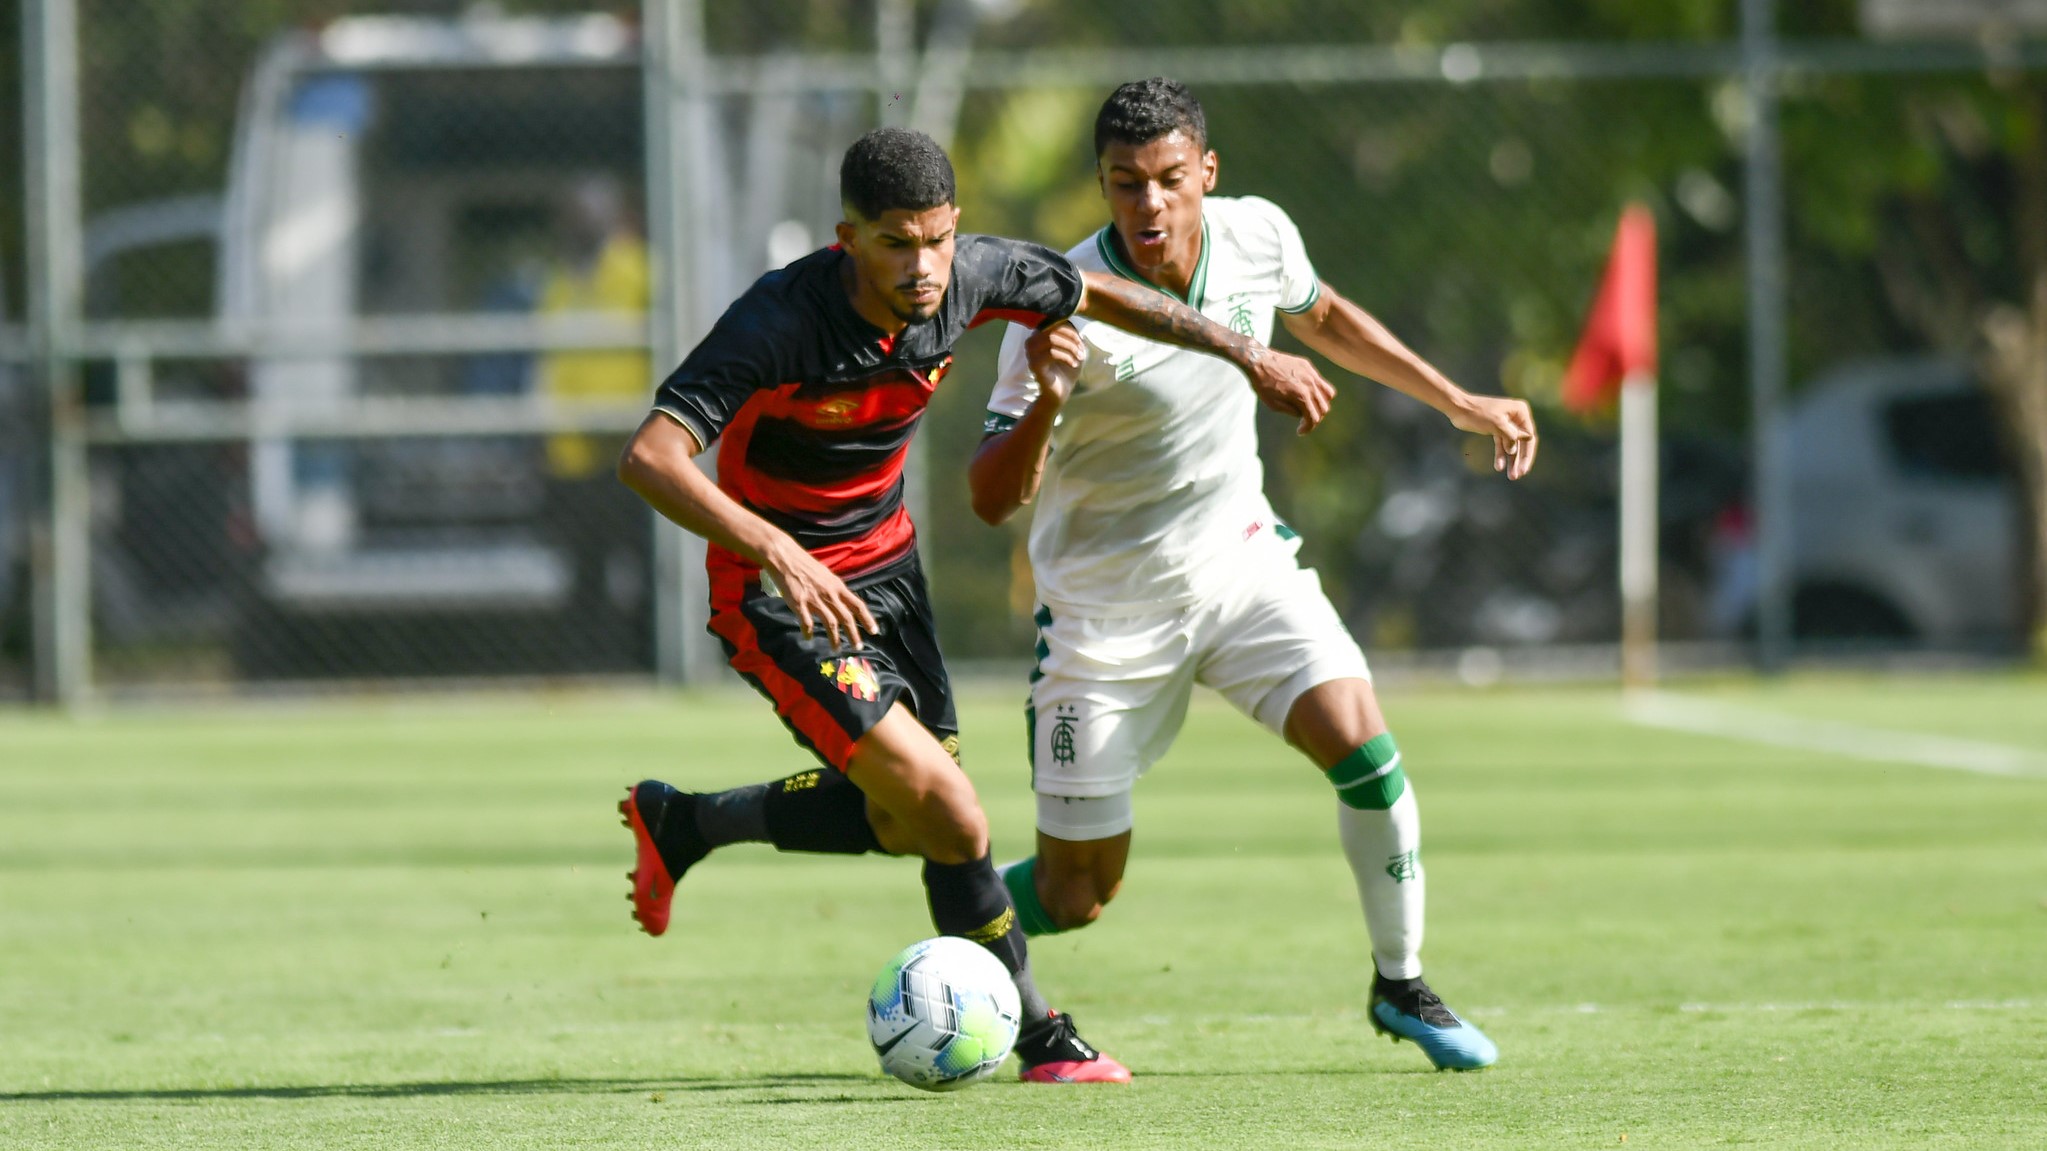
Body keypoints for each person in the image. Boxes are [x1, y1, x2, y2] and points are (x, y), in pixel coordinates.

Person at [615, 126, 1336, 1084]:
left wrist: (1248, 352)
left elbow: (1110, 296)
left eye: (939, 239)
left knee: (909, 821)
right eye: (895, 244)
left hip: (887, 572)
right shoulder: (778, 321)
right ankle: (1042, 1037)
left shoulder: (972, 274)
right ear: (847, 237)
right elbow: (651, 457)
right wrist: (780, 550)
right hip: (778, 589)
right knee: (952, 812)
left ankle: (687, 823)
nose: (924, 268)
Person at [969, 79, 1539, 1071]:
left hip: (1240, 563)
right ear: (1100, 185)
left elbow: (1323, 317)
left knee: (1365, 748)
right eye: (1124, 183)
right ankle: (957, 921)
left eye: (1168, 180)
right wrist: (1047, 398)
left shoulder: (1256, 234)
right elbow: (986, 496)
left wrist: (1456, 401)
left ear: (1208, 173)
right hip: (1105, 614)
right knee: (1077, 895)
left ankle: (1400, 982)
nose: (1148, 205)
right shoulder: (1057, 301)